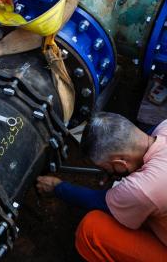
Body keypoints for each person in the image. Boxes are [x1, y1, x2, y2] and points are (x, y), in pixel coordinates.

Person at [36, 112, 167, 261]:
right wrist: (114, 171)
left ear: (120, 164)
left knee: (92, 229)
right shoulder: (163, 126)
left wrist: (57, 187)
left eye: (106, 168)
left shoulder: (142, 189)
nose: (105, 172)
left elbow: (100, 202)